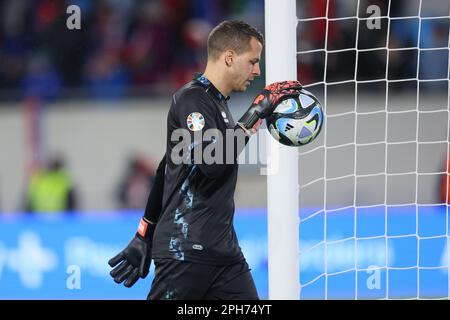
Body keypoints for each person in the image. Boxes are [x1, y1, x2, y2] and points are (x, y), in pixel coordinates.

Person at [108, 20, 302, 300]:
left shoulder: (217, 105)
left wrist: (144, 233)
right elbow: (212, 164)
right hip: (186, 251)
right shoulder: (192, 100)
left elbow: (166, 169)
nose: (257, 71)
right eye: (254, 61)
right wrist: (255, 113)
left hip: (224, 256)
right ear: (230, 57)